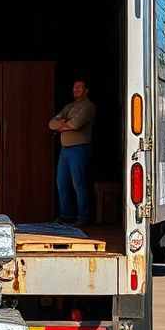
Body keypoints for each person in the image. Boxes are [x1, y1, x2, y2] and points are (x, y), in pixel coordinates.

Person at [49, 79, 97, 226]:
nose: (75, 89)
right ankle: (66, 216)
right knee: (61, 183)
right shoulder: (68, 107)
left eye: (79, 87)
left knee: (79, 184)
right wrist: (65, 125)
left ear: (86, 90)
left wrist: (62, 125)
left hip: (79, 148)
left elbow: (76, 124)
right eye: (74, 87)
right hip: (65, 150)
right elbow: (51, 123)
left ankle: (83, 217)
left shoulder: (88, 106)